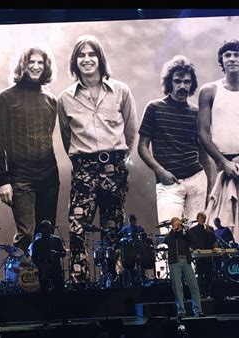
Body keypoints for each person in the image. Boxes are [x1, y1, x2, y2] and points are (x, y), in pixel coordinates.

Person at [58, 35, 137, 283]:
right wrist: (84, 163)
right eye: (81, 55)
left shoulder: (121, 91)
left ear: (100, 59)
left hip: (114, 166)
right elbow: (65, 135)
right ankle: (80, 283)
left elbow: (131, 130)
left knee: (113, 227)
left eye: (92, 54)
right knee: (78, 228)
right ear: (75, 62)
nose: (87, 60)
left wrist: (120, 159)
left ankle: (112, 281)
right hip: (83, 167)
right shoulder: (65, 98)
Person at [198, 39, 239, 265]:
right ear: (221, 62)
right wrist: (222, 162)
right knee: (228, 224)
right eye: (227, 55)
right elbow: (203, 133)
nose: (232, 59)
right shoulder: (209, 91)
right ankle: (236, 274)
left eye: (237, 55)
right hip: (225, 165)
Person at [0, 46, 59, 256]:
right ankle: (18, 284)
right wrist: (2, 179)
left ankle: (43, 284)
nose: (36, 67)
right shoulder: (6, 98)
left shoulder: (51, 100)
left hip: (48, 178)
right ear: (23, 65)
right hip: (20, 178)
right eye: (32, 62)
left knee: (45, 236)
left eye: (40, 63)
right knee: (27, 234)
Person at [138, 55, 212, 235]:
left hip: (197, 181)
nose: (182, 86)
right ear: (169, 83)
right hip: (169, 184)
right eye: (177, 81)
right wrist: (160, 172)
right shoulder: (154, 108)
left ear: (192, 84)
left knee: (196, 239)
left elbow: (204, 154)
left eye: (187, 82)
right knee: (171, 239)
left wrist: (209, 188)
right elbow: (142, 147)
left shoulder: (197, 112)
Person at [30, 220, 69, 326]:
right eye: (46, 228)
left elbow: (64, 253)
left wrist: (56, 253)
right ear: (42, 229)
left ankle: (64, 317)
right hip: (44, 270)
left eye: (49, 228)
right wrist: (41, 266)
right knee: (45, 295)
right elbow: (33, 258)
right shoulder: (37, 243)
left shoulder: (56, 240)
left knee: (60, 293)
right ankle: (46, 319)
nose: (48, 230)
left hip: (56, 269)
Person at [164, 217, 204, 319]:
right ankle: (181, 311)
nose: (178, 225)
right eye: (176, 223)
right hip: (174, 262)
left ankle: (198, 311)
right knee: (178, 288)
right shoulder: (170, 235)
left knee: (194, 286)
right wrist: (174, 230)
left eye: (179, 223)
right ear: (172, 225)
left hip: (186, 261)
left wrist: (187, 230)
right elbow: (167, 241)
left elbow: (195, 243)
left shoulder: (185, 235)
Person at [188, 211, 218, 298]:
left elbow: (214, 241)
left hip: (208, 255)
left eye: (204, 218)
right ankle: (200, 292)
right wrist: (193, 249)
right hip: (199, 255)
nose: (203, 220)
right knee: (200, 275)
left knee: (209, 274)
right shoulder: (192, 230)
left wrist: (215, 247)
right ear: (197, 219)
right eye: (201, 218)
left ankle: (208, 292)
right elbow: (190, 242)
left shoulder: (209, 229)